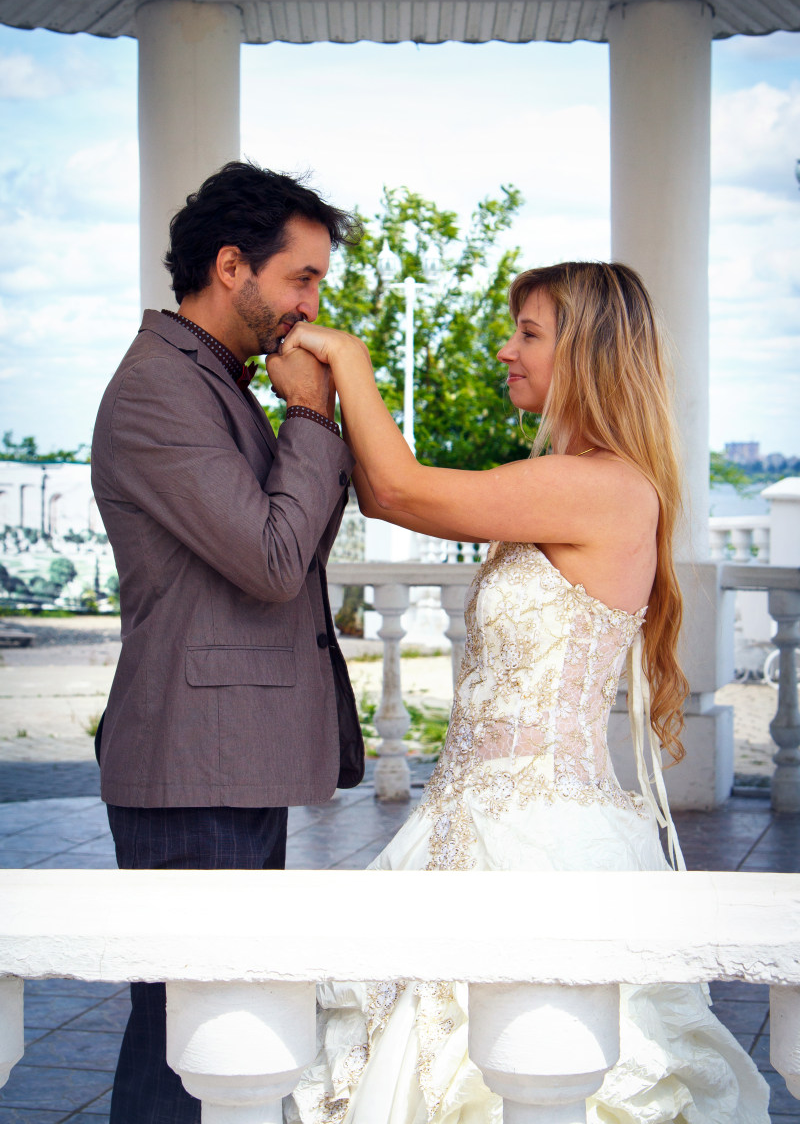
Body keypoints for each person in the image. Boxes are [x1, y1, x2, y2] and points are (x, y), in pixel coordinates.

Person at [271, 261, 770, 1123]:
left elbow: (397, 490)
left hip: (540, 840)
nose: (505, 350)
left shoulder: (603, 486)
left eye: (528, 334)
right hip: (463, 826)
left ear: (589, 353)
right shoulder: (566, 478)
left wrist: (348, 358)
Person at [91, 160, 365, 1123]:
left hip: (229, 757)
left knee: (210, 1027)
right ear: (230, 266)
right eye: (303, 277)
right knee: (183, 1034)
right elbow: (275, 560)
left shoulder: (216, 382)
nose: (313, 303)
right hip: (190, 762)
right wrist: (310, 415)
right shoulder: (162, 390)